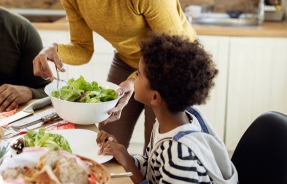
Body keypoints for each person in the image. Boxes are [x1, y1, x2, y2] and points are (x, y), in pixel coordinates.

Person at [28, 0, 196, 148]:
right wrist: (52, 50)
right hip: (128, 60)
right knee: (105, 142)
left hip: (172, 67)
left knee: (161, 148)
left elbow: (174, 49)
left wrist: (136, 80)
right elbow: (83, 49)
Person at [96, 33, 238, 184]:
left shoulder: (180, 155)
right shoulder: (168, 124)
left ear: (155, 97)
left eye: (138, 74)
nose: (133, 78)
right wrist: (121, 153)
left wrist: (128, 162)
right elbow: (152, 168)